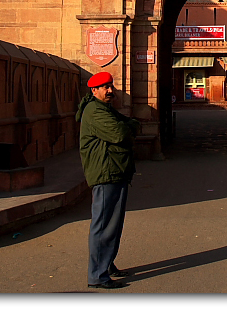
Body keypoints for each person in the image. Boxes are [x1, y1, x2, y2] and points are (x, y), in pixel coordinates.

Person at [77, 71, 140, 290]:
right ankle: (97, 274)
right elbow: (120, 133)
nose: (110, 90)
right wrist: (130, 127)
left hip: (115, 170)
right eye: (105, 87)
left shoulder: (105, 109)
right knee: (103, 225)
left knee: (112, 224)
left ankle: (106, 264)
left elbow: (130, 123)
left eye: (111, 86)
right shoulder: (95, 111)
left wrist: (130, 126)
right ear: (94, 90)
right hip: (106, 172)